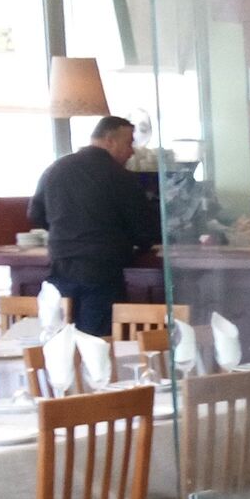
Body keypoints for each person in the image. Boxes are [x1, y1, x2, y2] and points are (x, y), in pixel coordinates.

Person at [28, 116, 160, 338]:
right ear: (110, 140)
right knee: (97, 341)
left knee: (60, 337)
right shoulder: (120, 176)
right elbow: (144, 230)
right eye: (128, 143)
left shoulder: (56, 169)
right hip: (102, 270)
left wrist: (66, 232)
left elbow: (35, 215)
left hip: (61, 265)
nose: (132, 151)